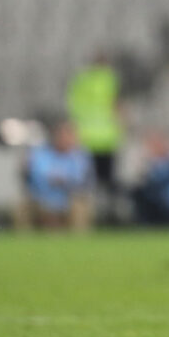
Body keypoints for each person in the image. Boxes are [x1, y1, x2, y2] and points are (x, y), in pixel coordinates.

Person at [66, 52, 123, 223]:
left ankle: (87, 218)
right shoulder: (110, 79)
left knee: (86, 183)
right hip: (107, 138)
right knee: (106, 182)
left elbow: (73, 106)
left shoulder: (80, 80)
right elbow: (117, 106)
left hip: (86, 138)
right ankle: (108, 216)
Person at [19, 120, 93, 230]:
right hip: (43, 198)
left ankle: (78, 241)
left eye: (67, 135)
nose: (64, 139)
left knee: (80, 207)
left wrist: (63, 181)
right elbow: (37, 177)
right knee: (21, 208)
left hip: (69, 199)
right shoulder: (41, 154)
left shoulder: (79, 156)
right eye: (60, 135)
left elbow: (80, 180)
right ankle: (25, 243)